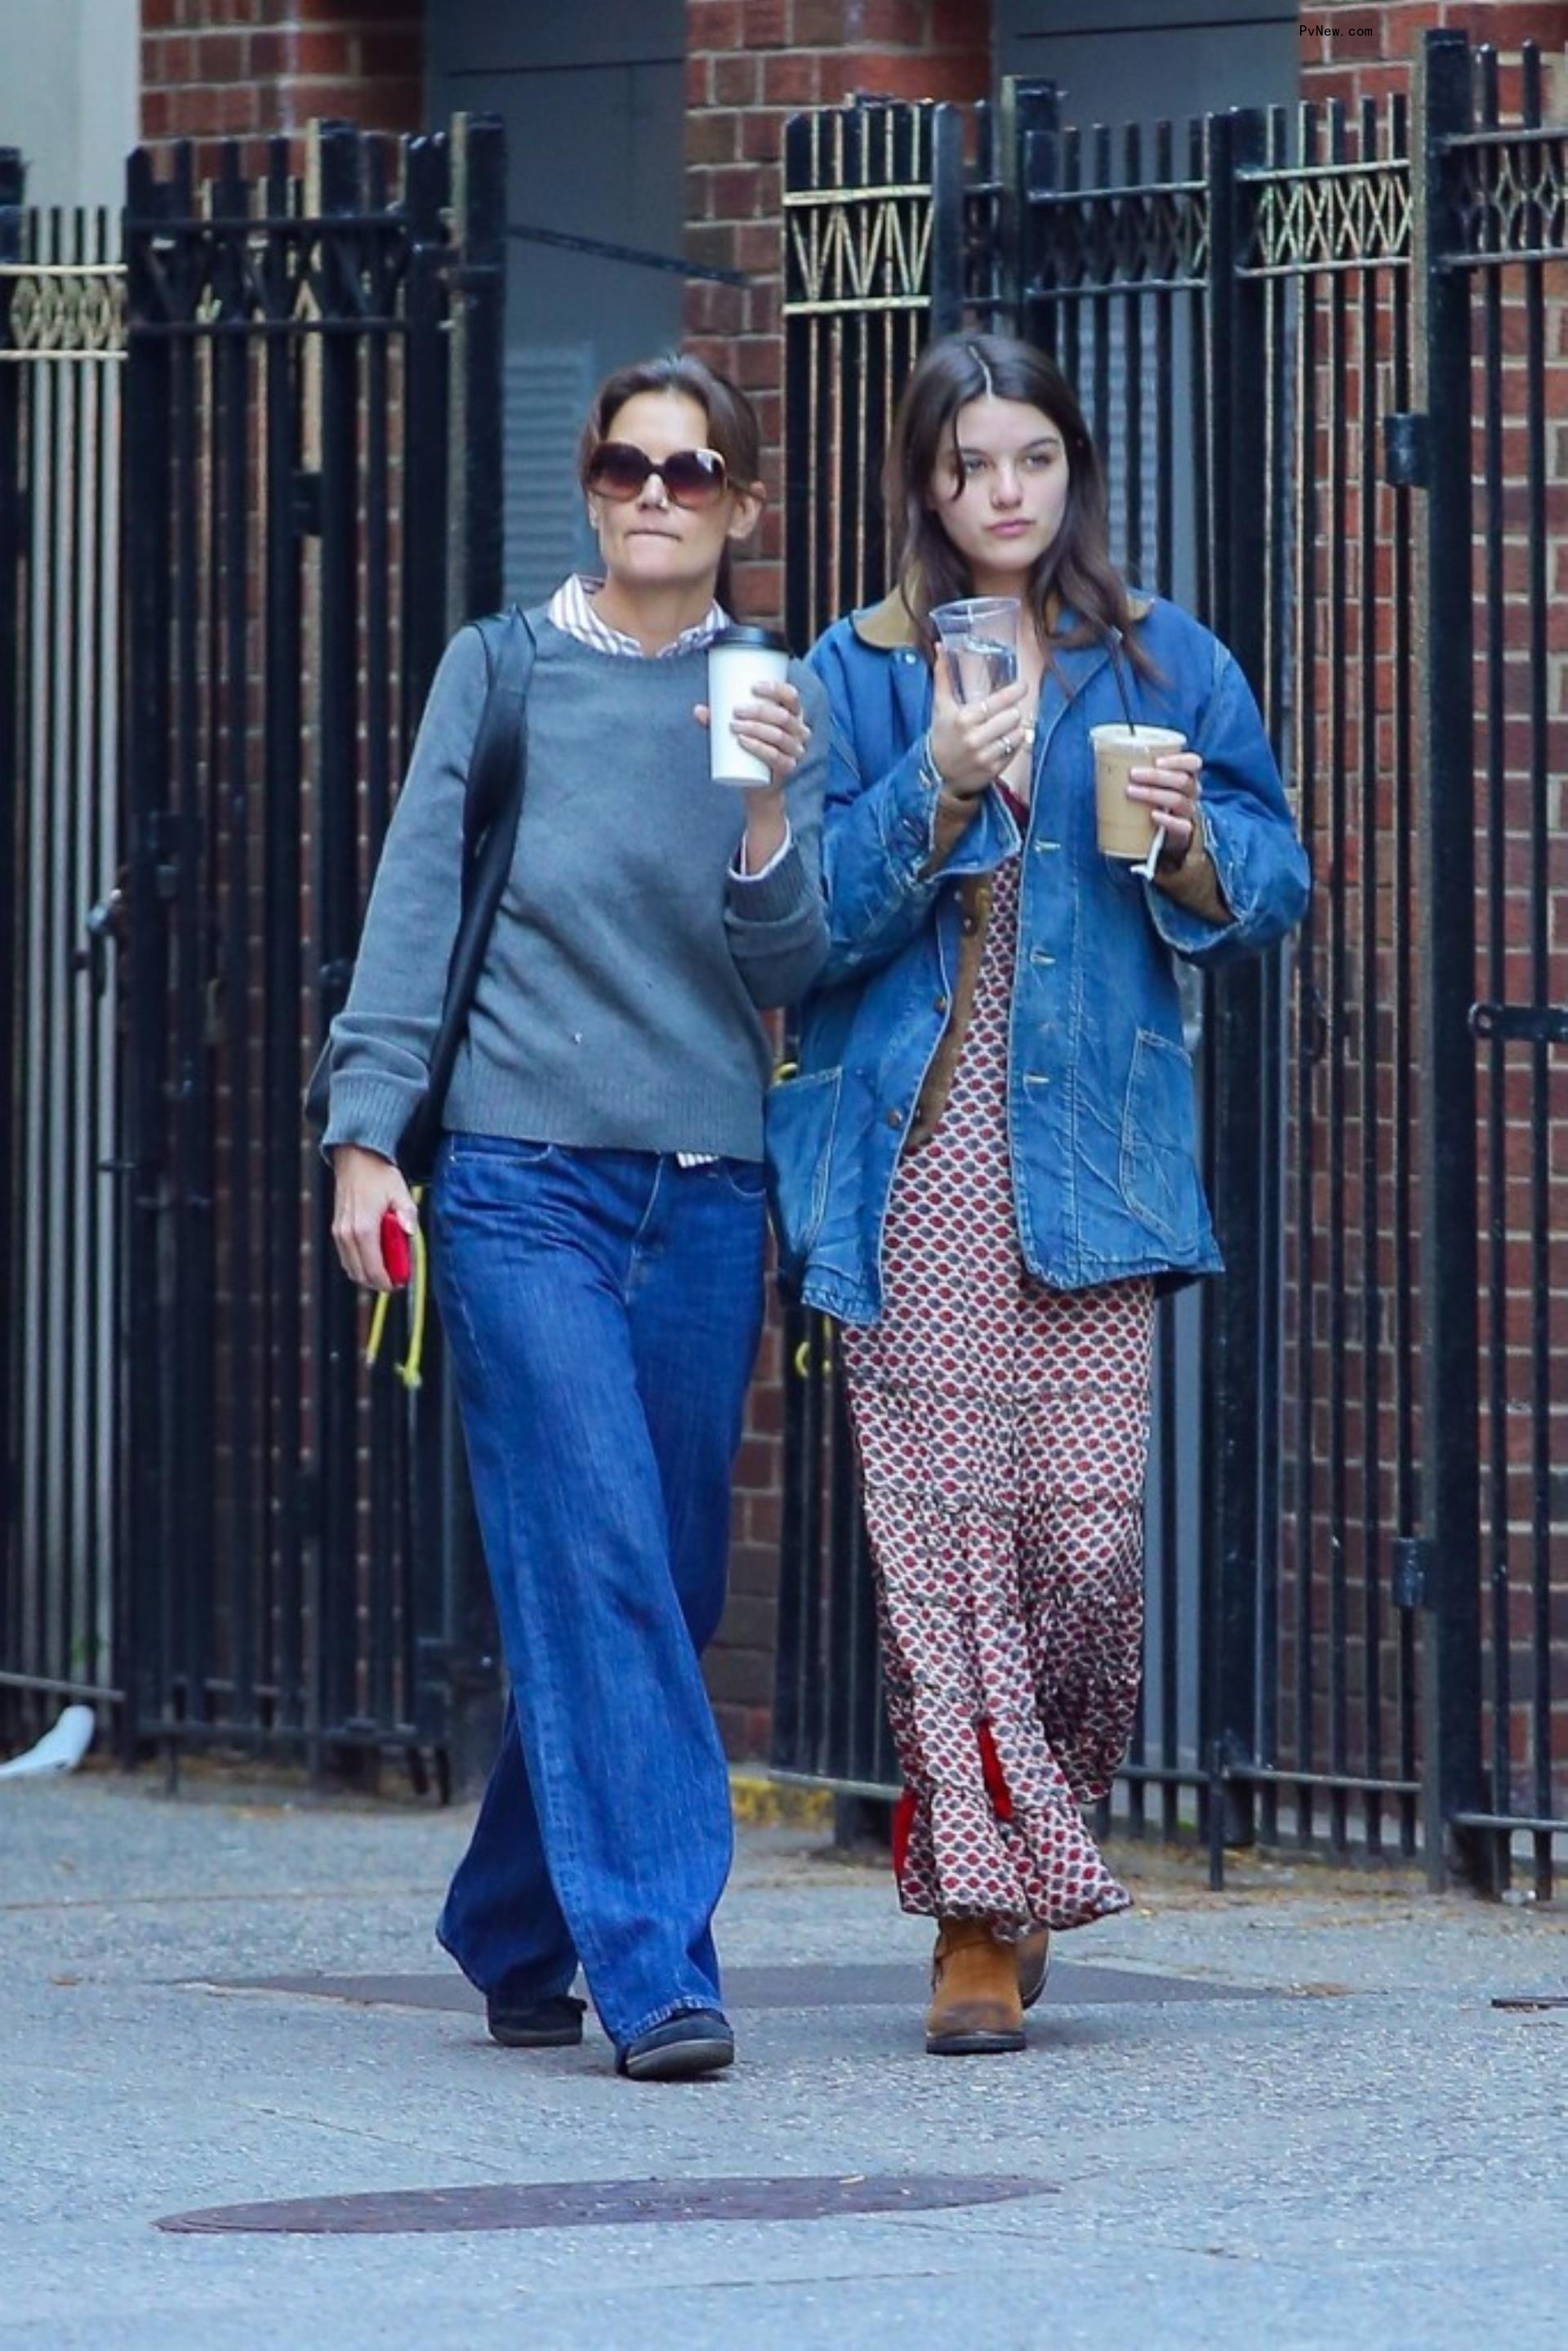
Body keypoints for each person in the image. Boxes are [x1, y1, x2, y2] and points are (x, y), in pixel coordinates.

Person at [768, 332, 1309, 2056]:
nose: (1005, 491)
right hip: (909, 1148)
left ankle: (1047, 1821)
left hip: (1094, 1157)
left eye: (1033, 460)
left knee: (1081, 1549)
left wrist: (1186, 841)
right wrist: (931, 782)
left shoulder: (1166, 659)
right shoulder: (854, 675)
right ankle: (977, 1914)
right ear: (925, 487)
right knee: (945, 1552)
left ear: (1074, 469)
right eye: (970, 465)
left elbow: (1277, 873)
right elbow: (795, 935)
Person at [323, 352, 830, 2081]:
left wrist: (770, 803)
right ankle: (659, 1960)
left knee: (664, 1576)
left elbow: (791, 964)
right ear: (591, 484)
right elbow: (410, 919)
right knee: (602, 1543)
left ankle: (510, 1921)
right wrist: (366, 1140)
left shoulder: (780, 694)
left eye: (694, 475)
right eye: (629, 467)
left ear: (743, 506)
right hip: (519, 1177)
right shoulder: (502, 669)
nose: (657, 497)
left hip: (700, 1191)